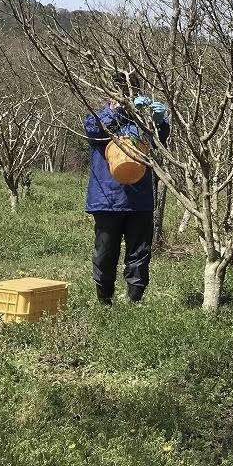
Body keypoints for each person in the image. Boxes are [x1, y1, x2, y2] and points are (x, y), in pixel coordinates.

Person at [83, 78, 170, 305]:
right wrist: (117, 110)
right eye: (119, 94)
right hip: (107, 199)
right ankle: (105, 301)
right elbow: (92, 131)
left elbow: (159, 145)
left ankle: (134, 301)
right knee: (105, 254)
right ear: (109, 96)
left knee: (139, 254)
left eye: (129, 93)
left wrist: (160, 122)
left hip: (139, 199)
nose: (125, 97)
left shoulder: (143, 121)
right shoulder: (100, 118)